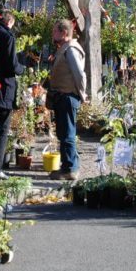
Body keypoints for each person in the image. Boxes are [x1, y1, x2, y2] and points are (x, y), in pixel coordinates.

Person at [0, 11, 25, 179]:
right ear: (10, 22)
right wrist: (21, 69)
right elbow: (11, 66)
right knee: (2, 129)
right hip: (4, 89)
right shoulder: (7, 37)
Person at [48, 19, 86, 181]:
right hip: (63, 97)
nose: (53, 34)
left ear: (64, 33)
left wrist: (82, 94)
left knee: (68, 134)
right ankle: (67, 167)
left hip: (67, 97)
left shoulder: (70, 49)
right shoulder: (64, 49)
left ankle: (70, 169)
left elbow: (79, 74)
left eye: (55, 31)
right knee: (64, 134)